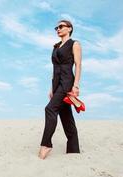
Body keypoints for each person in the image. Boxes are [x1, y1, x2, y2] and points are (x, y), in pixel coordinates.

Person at [38, 19, 82, 159]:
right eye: (56, 27)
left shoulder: (74, 44)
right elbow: (54, 69)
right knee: (65, 115)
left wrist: (75, 85)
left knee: (50, 109)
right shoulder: (56, 47)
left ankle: (46, 144)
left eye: (61, 26)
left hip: (67, 81)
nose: (58, 29)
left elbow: (78, 65)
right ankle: (73, 150)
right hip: (56, 83)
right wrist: (52, 87)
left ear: (69, 29)